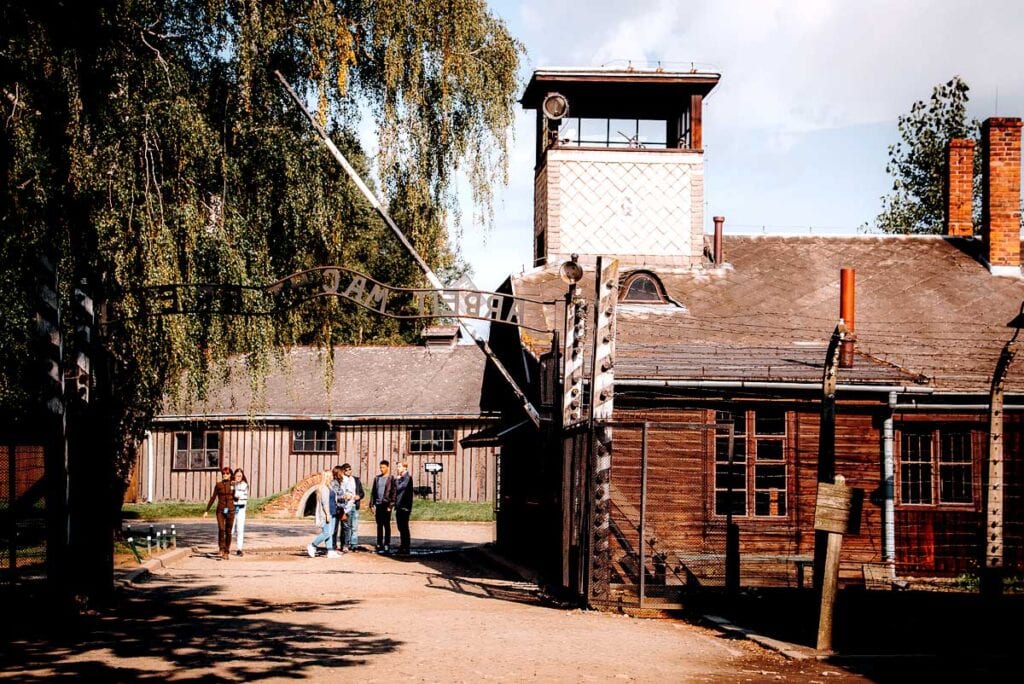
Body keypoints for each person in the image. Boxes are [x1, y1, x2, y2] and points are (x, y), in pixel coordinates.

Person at [203, 466, 236, 560]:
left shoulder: (233, 485)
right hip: (220, 510)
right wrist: (206, 510)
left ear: (230, 475)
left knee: (228, 532)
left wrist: (234, 489)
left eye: (227, 473)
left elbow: (236, 498)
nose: (225, 475)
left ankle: (226, 551)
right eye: (223, 474)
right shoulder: (218, 485)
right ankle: (221, 547)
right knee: (221, 529)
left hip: (231, 510)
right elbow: (213, 497)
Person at [307, 470, 339, 558]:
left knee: (330, 532)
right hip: (326, 513)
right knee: (326, 533)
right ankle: (313, 545)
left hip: (333, 511)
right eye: (330, 476)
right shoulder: (324, 488)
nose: (332, 477)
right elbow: (325, 503)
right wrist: (327, 514)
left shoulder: (330, 487)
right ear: (327, 477)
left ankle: (330, 551)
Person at [369, 459, 395, 553]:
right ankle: (379, 543)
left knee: (386, 525)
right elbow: (373, 492)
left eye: (383, 467)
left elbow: (393, 493)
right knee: (379, 525)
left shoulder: (391, 478)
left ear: (388, 467)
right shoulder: (377, 478)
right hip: (378, 504)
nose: (381, 469)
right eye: (380, 467)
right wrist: (371, 504)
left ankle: (387, 543)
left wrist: (391, 505)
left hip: (386, 505)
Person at [392, 461, 414, 554]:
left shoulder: (407, 478)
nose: (398, 468)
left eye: (399, 466)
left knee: (404, 527)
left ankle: (406, 546)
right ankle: (403, 545)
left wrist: (397, 480)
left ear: (405, 467)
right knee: (400, 526)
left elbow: (400, 487)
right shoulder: (402, 478)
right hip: (399, 505)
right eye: (397, 466)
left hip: (404, 506)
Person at [342, 463, 364, 552]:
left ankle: (354, 545)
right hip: (346, 506)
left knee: (354, 527)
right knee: (347, 527)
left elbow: (362, 493)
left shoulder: (356, 480)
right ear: (343, 471)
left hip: (354, 505)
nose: (348, 471)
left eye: (349, 469)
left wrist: (359, 496)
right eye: (346, 470)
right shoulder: (342, 480)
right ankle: (345, 544)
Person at [231, 468, 249, 556]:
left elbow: (238, 496)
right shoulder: (231, 484)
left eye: (240, 475)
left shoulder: (244, 485)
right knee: (230, 528)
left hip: (241, 508)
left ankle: (239, 549)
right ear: (234, 475)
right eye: (237, 475)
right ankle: (226, 547)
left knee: (240, 529)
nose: (238, 477)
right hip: (231, 508)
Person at [330, 465, 345, 551]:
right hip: (335, 509)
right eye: (341, 472)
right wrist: (344, 496)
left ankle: (333, 545)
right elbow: (336, 495)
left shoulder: (338, 482)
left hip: (339, 508)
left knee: (336, 528)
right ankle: (332, 546)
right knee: (334, 529)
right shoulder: (334, 483)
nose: (342, 474)